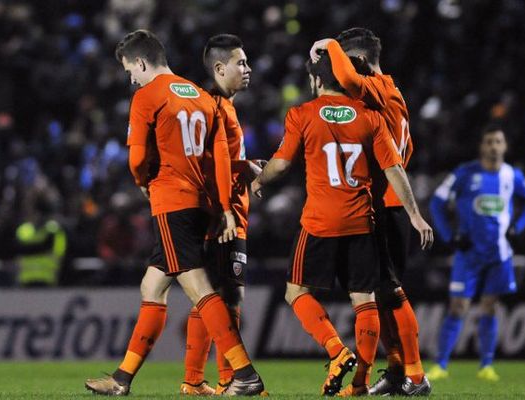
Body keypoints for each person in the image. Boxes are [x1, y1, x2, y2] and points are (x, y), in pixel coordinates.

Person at [84, 30, 265, 396]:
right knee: (152, 285)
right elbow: (220, 159)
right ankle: (122, 379)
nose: (130, 78)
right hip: (201, 204)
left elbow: (136, 159)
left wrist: (142, 180)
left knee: (200, 290)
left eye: (129, 70)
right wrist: (225, 208)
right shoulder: (200, 95)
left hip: (172, 201)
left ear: (141, 62)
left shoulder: (146, 95)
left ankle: (244, 374)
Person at [251, 51, 433, 396]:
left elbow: (281, 163)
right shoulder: (370, 117)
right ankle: (361, 383)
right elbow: (394, 169)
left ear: (317, 80)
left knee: (295, 292)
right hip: (361, 220)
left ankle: (336, 350)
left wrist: (258, 182)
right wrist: (414, 214)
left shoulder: (302, 113)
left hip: (319, 221)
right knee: (364, 300)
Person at [309, 27, 429, 395]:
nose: (339, 72)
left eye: (344, 60)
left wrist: (327, 44)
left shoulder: (376, 86)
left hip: (389, 204)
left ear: (358, 61)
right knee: (380, 292)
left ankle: (416, 375)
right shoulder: (391, 93)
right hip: (385, 203)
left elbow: (346, 76)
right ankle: (396, 371)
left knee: (391, 290)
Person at [180, 34, 264, 396]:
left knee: (216, 294)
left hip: (229, 212)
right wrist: (224, 210)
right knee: (226, 297)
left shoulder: (223, 105)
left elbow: (223, 162)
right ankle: (227, 379)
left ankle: (195, 380)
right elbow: (207, 165)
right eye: (240, 63)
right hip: (224, 217)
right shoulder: (212, 106)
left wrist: (244, 167)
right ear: (219, 68)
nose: (247, 69)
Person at [428, 125, 525, 381]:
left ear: (505, 146)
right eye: (489, 142)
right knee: (458, 307)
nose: (494, 147)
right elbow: (436, 203)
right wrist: (449, 237)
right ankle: (440, 365)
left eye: (498, 142)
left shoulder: (513, 176)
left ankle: (486, 365)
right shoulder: (464, 173)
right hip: (468, 255)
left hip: (499, 255)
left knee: (490, 306)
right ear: (482, 147)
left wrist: (517, 228)